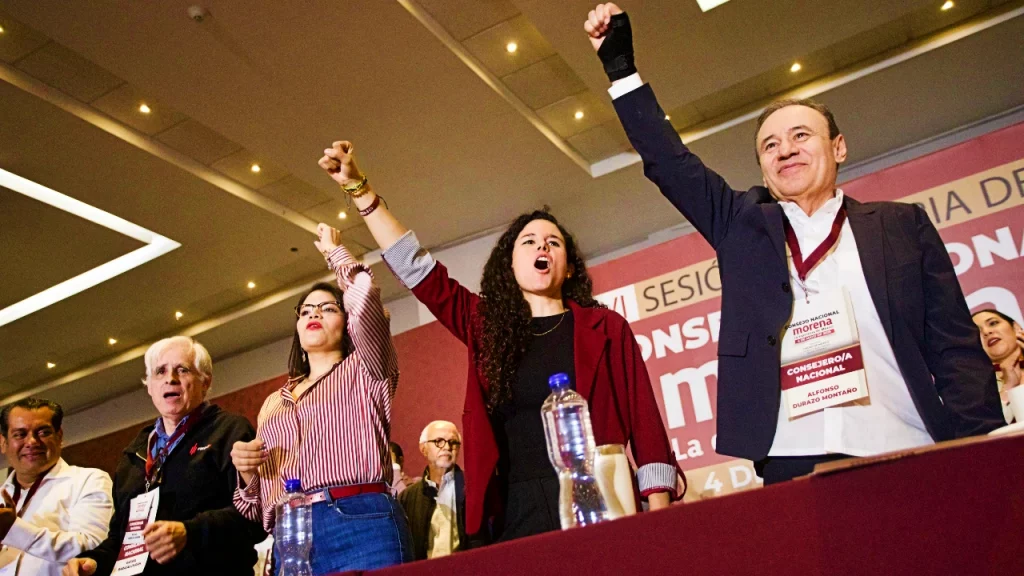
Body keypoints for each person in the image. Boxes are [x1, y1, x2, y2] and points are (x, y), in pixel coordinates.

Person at [583, 3, 1005, 484]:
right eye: (770, 145)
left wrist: (986, 451)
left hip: (903, 441)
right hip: (791, 454)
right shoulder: (741, 225)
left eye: (801, 135)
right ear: (763, 168)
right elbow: (669, 161)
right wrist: (621, 68)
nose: (785, 149)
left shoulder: (901, 226)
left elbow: (954, 346)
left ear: (838, 147)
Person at [317, 142, 681, 544]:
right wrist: (360, 190)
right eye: (529, 241)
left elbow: (645, 422)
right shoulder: (485, 325)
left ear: (569, 267)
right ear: (510, 265)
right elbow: (416, 268)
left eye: (554, 242)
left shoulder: (607, 327)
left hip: (602, 493)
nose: (542, 246)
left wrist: (658, 517)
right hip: (516, 505)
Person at [230, 225, 412, 574]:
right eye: (306, 311)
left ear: (347, 323)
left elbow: (364, 297)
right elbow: (254, 508)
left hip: (361, 520)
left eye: (328, 308)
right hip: (290, 534)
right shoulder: (273, 403)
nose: (314, 314)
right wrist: (247, 471)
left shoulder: (366, 367)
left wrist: (335, 252)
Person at [63, 337, 265, 576]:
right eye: (160, 372)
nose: (171, 379)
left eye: (183, 370)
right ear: (149, 386)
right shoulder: (134, 454)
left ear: (205, 381)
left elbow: (255, 519)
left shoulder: (229, 432)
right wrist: (93, 562)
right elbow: (122, 538)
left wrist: (189, 533)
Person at [0, 398, 112, 576]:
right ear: (3, 443)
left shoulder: (89, 480)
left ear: (59, 437)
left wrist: (14, 529)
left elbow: (93, 549)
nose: (32, 442)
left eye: (43, 432)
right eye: (20, 434)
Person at [398, 421, 466, 560]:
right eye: (438, 441)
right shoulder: (408, 497)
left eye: (453, 442)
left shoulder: (471, 488)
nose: (447, 447)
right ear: (423, 449)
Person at [972, 309, 1021, 423]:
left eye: (993, 323)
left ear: (1016, 327)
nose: (986, 332)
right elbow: (989, 429)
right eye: (977, 332)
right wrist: (1008, 387)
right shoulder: (978, 389)